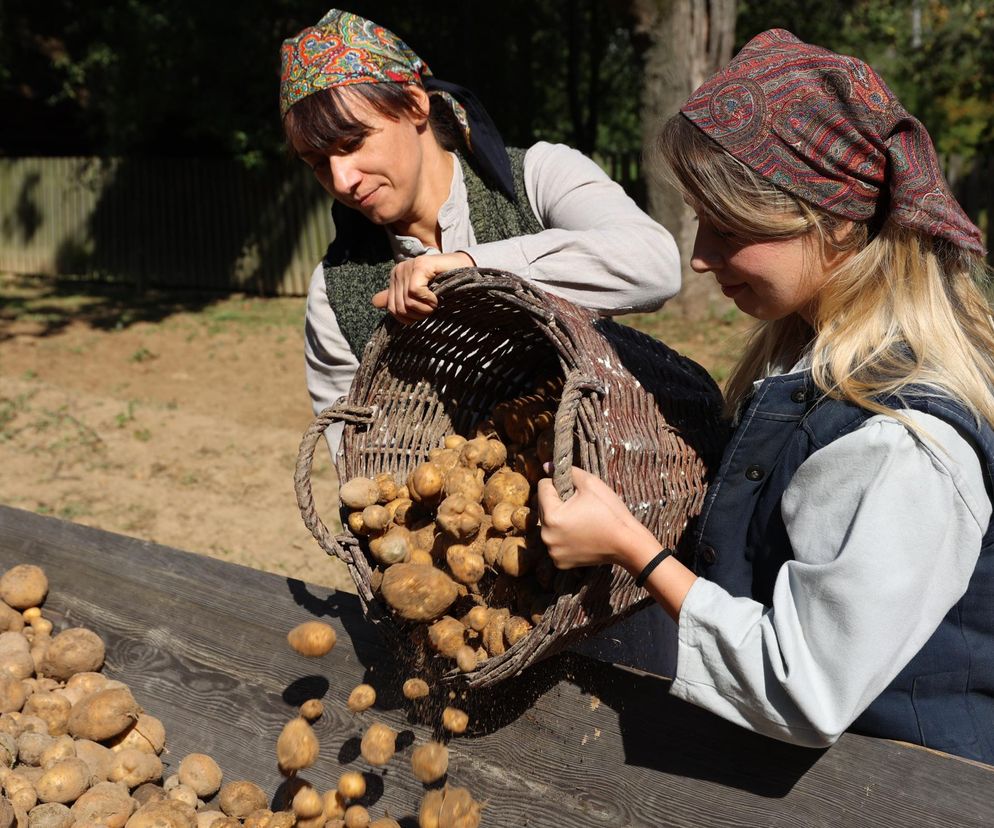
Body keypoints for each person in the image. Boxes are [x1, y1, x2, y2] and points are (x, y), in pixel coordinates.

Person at [537, 28, 994, 765]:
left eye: (729, 229)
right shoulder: (808, 354)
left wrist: (634, 549)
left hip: (915, 793)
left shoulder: (902, 445)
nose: (699, 257)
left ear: (835, 223)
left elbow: (803, 683)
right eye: (700, 224)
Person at [279, 9, 680, 455]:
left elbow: (655, 265)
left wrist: (472, 266)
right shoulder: (335, 294)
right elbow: (357, 456)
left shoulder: (539, 177)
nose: (340, 180)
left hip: (620, 475)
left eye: (351, 143)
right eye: (317, 163)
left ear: (415, 103)